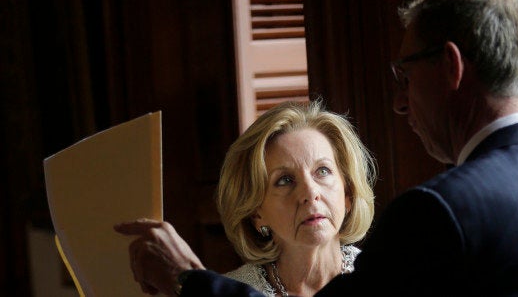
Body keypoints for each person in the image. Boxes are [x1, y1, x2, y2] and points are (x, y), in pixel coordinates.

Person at [119, 0, 518, 296]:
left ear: (449, 68)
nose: (400, 102)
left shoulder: (440, 212)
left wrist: (188, 279)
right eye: (282, 181)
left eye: (405, 75)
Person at [114, 99, 377, 296]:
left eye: (323, 171)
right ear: (255, 212)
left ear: (348, 194)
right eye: (284, 180)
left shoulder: (386, 277)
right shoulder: (233, 288)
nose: (310, 193)